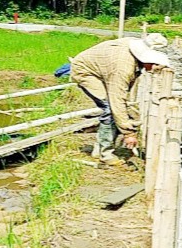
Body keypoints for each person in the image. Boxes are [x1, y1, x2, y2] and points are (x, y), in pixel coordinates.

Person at [70, 34, 170, 164]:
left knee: (116, 109)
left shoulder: (134, 53)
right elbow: (117, 101)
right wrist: (128, 133)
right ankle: (105, 154)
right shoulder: (123, 68)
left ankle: (99, 148)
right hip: (86, 71)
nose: (155, 69)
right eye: (155, 64)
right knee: (109, 109)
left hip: (104, 68)